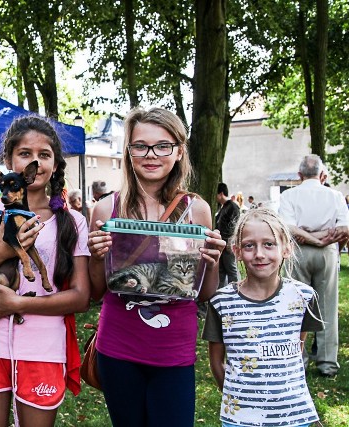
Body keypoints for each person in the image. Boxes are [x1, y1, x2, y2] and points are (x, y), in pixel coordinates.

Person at [87, 107, 225, 427]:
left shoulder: (197, 210)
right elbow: (95, 291)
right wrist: (97, 257)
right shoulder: (107, 208)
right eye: (140, 146)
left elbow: (203, 294)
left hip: (174, 349)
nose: (151, 155)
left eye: (163, 145)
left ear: (178, 151)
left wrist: (213, 263)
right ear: (129, 151)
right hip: (118, 347)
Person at [0, 115, 90, 427]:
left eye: (44, 155)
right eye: (25, 154)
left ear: (56, 165)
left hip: (44, 349)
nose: (36, 162)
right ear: (9, 162)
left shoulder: (73, 222)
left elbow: (81, 297)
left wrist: (18, 304)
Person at [202, 208, 323, 427]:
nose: (259, 254)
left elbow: (297, 348)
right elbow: (216, 362)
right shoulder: (222, 302)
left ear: (286, 248)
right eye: (249, 245)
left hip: (294, 415)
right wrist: (238, 398)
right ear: (237, 251)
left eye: (269, 244)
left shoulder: (303, 297)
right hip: (240, 419)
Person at [278, 154, 349, 377]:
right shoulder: (335, 196)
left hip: (298, 251)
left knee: (295, 305)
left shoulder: (289, 195)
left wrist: (309, 236)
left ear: (299, 175)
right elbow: (344, 229)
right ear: (322, 175)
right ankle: (327, 363)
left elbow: (287, 228)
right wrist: (321, 239)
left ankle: (298, 358)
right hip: (327, 252)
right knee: (328, 306)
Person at [216, 182, 240, 288]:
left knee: (231, 269)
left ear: (221, 193)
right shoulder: (223, 207)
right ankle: (221, 291)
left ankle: (235, 290)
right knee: (221, 270)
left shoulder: (233, 207)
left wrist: (231, 242)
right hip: (221, 243)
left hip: (228, 243)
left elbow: (235, 225)